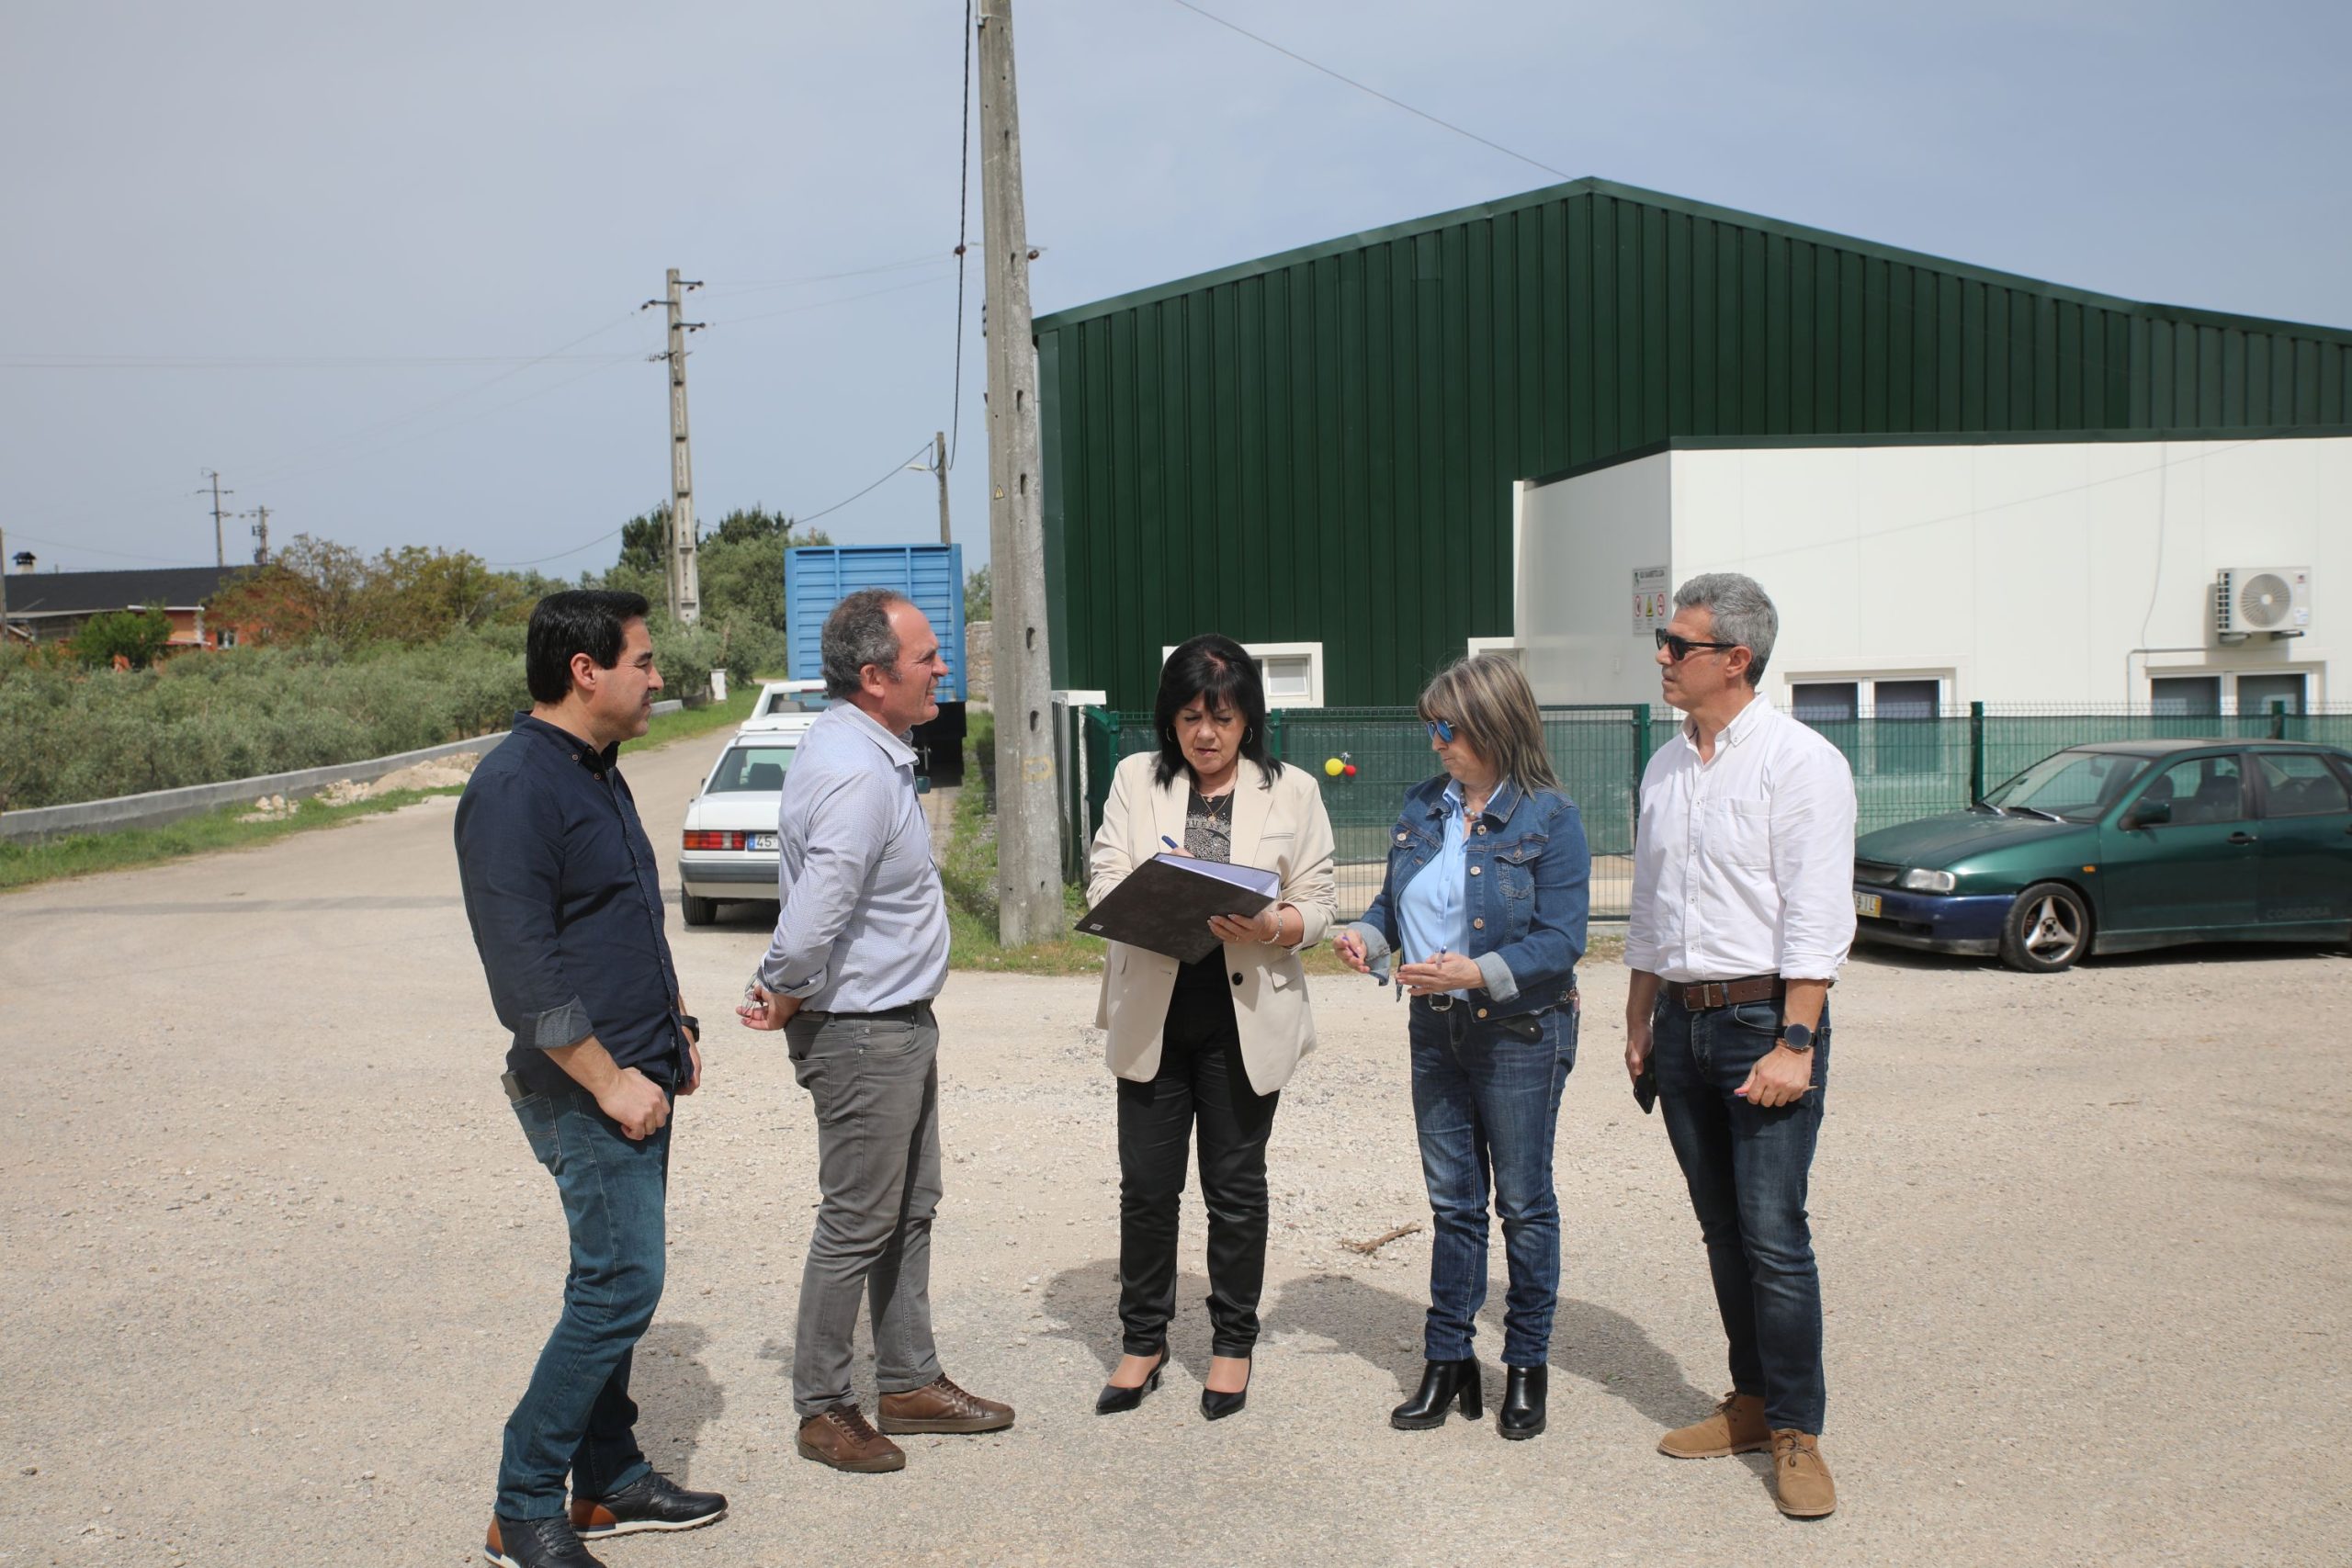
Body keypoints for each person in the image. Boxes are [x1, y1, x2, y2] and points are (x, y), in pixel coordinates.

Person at [454, 591, 726, 1568]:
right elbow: (522, 970)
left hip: (635, 1066)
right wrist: (611, 1081)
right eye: (644, 662)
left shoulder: (595, 770)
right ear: (585, 671)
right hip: (581, 1087)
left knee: (613, 1280)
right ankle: (523, 1504)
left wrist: (674, 1027)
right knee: (620, 1286)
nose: (659, 679)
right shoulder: (516, 786)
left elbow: (615, 924)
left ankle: (608, 1476)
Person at [737, 588, 1013, 1473]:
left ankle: (908, 1380)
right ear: (873, 676)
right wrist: (780, 984)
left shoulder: (870, 748)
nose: (943, 667)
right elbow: (819, 909)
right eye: (927, 656)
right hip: (860, 1032)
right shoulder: (858, 770)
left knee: (909, 1209)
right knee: (859, 1220)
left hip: (894, 1023)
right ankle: (824, 1406)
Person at [1623, 572, 1855, 1520]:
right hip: (1681, 1022)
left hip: (1765, 1023)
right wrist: (1637, 1017)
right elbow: (1648, 908)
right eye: (1665, 643)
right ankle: (1752, 1403)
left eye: (1678, 645)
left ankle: (1798, 1429)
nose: (1663, 659)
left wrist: (1796, 1040)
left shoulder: (1800, 763)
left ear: (1735, 658)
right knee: (1721, 1230)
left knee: (1773, 1235)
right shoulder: (1665, 766)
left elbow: (1816, 915)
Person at [1335, 653, 1589, 1441]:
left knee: (1522, 1201)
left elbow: (1562, 940)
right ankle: (1448, 1362)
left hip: (1519, 1029)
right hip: (1433, 1024)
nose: (1437, 741)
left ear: (1494, 724)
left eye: (1449, 728)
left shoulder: (1550, 817)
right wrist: (1368, 936)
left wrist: (1477, 972)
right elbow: (1391, 901)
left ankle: (1526, 1364)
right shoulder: (1423, 807)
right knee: (1452, 1204)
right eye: (1432, 727)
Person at [1086, 634, 1339, 1420]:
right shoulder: (1135, 779)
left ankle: (1232, 1343)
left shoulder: (1292, 790)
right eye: (1191, 716)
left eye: (1222, 718)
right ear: (1170, 718)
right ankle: (1143, 1339)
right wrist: (1149, 894)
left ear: (1249, 720)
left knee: (1235, 1190)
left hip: (1244, 1015)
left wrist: (1275, 923)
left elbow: (1321, 901)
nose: (1206, 734)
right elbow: (1102, 873)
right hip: (1153, 1010)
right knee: (1148, 1189)